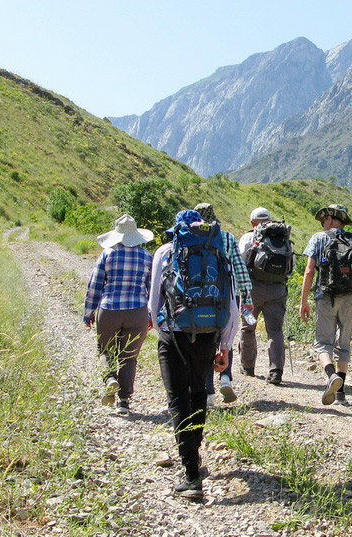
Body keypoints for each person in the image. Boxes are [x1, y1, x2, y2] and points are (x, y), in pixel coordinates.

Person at [150, 209, 239, 499]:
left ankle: (190, 474)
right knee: (199, 392)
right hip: (207, 334)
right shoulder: (217, 250)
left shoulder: (165, 251)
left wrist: (161, 333)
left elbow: (154, 302)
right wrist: (224, 345)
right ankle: (196, 454)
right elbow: (232, 302)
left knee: (177, 398)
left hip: (173, 333)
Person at [299, 204, 352, 406]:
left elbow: (309, 271)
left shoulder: (318, 238)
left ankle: (331, 375)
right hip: (351, 297)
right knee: (344, 343)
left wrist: (303, 301)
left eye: (324, 220)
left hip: (326, 295)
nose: (323, 224)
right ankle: (340, 393)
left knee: (324, 342)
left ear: (331, 219)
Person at [83, 214, 154, 416]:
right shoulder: (147, 256)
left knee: (105, 350)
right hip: (137, 311)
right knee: (129, 357)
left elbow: (95, 286)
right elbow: (150, 289)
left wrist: (88, 311)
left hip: (109, 310)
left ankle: (110, 378)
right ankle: (124, 401)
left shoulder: (107, 254)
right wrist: (150, 314)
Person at [193, 202, 253, 405]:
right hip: (227, 295)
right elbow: (239, 268)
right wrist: (247, 299)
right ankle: (225, 377)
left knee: (206, 340)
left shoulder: (192, 237)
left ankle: (208, 393)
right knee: (225, 337)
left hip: (200, 297)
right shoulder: (226, 236)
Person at [238, 206, 292, 384]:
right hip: (277, 290)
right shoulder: (282, 238)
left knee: (248, 327)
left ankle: (248, 367)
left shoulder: (248, 237)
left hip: (252, 291)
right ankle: (276, 370)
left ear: (253, 222)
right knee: (275, 330)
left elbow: (239, 263)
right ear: (269, 219)